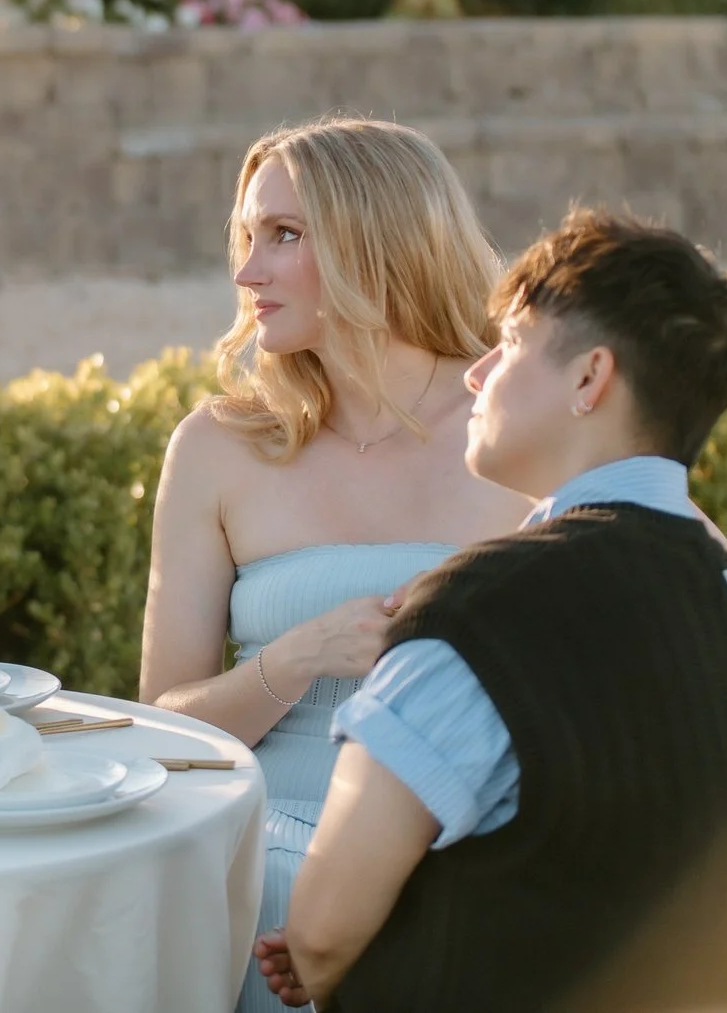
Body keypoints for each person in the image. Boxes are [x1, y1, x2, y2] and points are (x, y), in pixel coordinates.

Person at [255, 210, 727, 1012]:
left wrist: (350, 951)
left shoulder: (480, 614)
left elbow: (320, 929)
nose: (477, 370)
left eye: (513, 341)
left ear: (589, 378)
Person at [137, 116, 533, 1013]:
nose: (246, 273)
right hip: (259, 868)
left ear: (375, 240)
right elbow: (160, 729)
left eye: (283, 235)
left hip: (468, 862)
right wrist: (296, 657)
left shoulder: (516, 418)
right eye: (245, 237)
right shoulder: (219, 446)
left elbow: (688, 584)